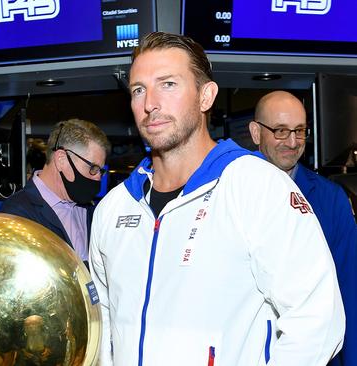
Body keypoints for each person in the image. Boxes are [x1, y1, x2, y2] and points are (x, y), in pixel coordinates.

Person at [89, 32, 345, 365]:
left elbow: (318, 320)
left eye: (168, 84)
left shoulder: (257, 186)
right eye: (139, 89)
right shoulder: (113, 208)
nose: (150, 103)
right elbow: (103, 325)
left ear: (206, 96)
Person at [249, 90, 357, 366]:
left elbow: (348, 289)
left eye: (300, 130)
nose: (293, 142)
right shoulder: (230, 190)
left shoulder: (330, 199)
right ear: (255, 133)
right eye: (281, 131)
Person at [0, 119, 110, 264]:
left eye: (100, 171)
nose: (98, 178)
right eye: (92, 168)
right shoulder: (15, 216)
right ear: (61, 159)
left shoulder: (92, 210)